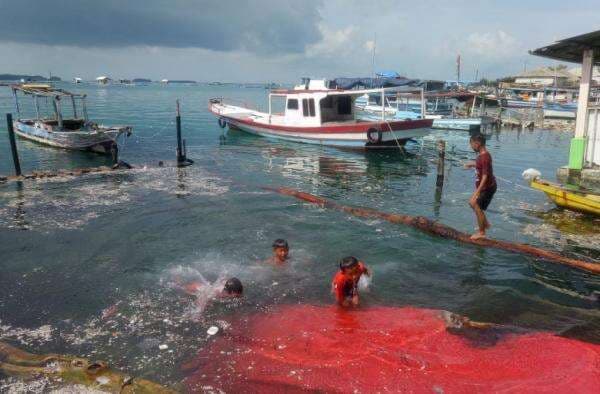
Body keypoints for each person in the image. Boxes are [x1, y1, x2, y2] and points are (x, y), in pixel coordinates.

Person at [464, 134, 497, 240]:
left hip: (487, 188)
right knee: (472, 203)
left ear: (477, 144)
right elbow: (482, 165)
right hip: (486, 187)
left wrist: (476, 192)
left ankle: (481, 232)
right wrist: (472, 164)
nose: (471, 147)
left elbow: (485, 176)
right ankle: (485, 223)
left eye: (472, 144)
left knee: (476, 205)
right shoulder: (483, 156)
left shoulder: (484, 157)